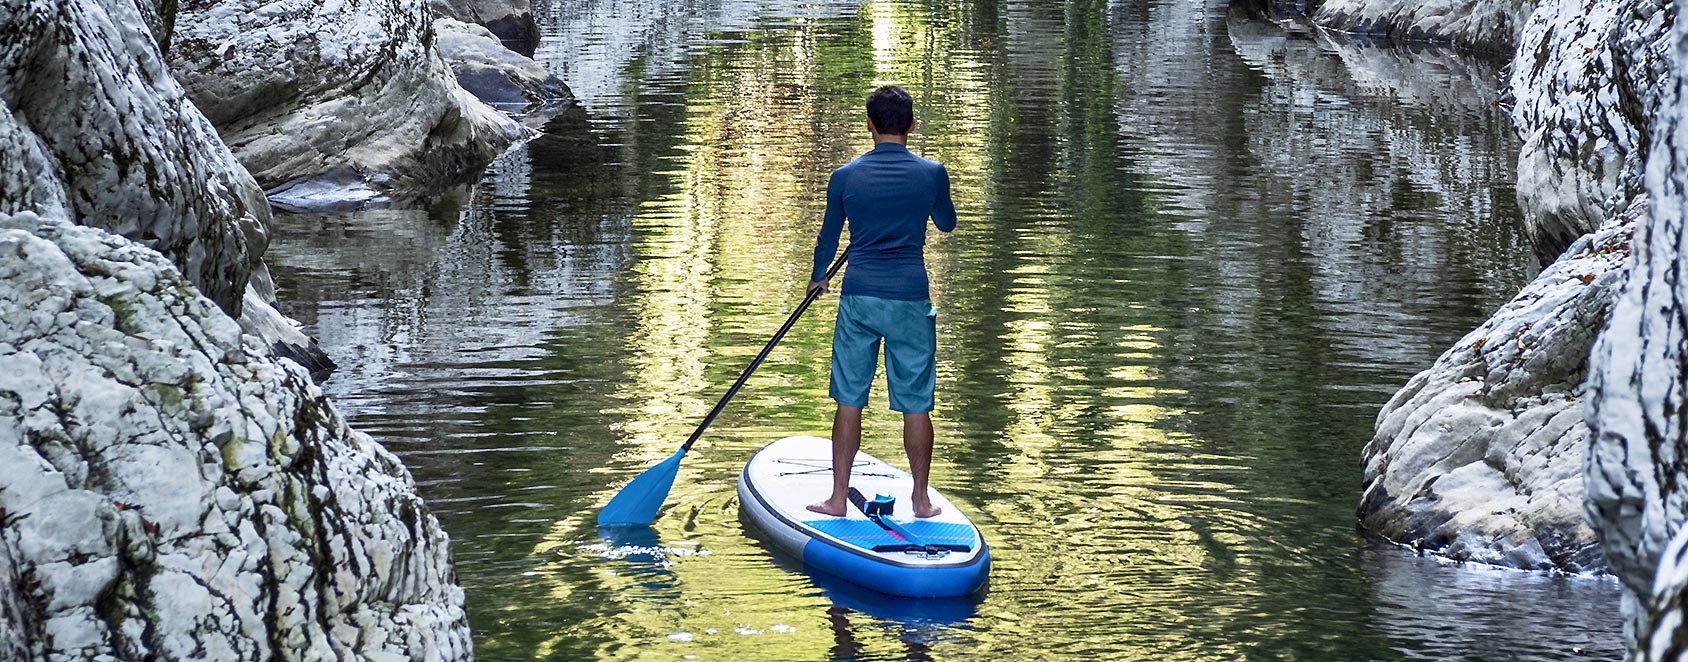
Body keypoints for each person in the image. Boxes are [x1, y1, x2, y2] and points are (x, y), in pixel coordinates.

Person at [805, 85, 957, 519]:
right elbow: (946, 223)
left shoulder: (845, 177)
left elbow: (829, 237)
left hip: (859, 299)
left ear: (869, 125)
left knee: (849, 400)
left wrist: (818, 277)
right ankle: (921, 500)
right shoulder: (932, 173)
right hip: (910, 299)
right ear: (912, 125)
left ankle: (838, 499)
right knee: (916, 403)